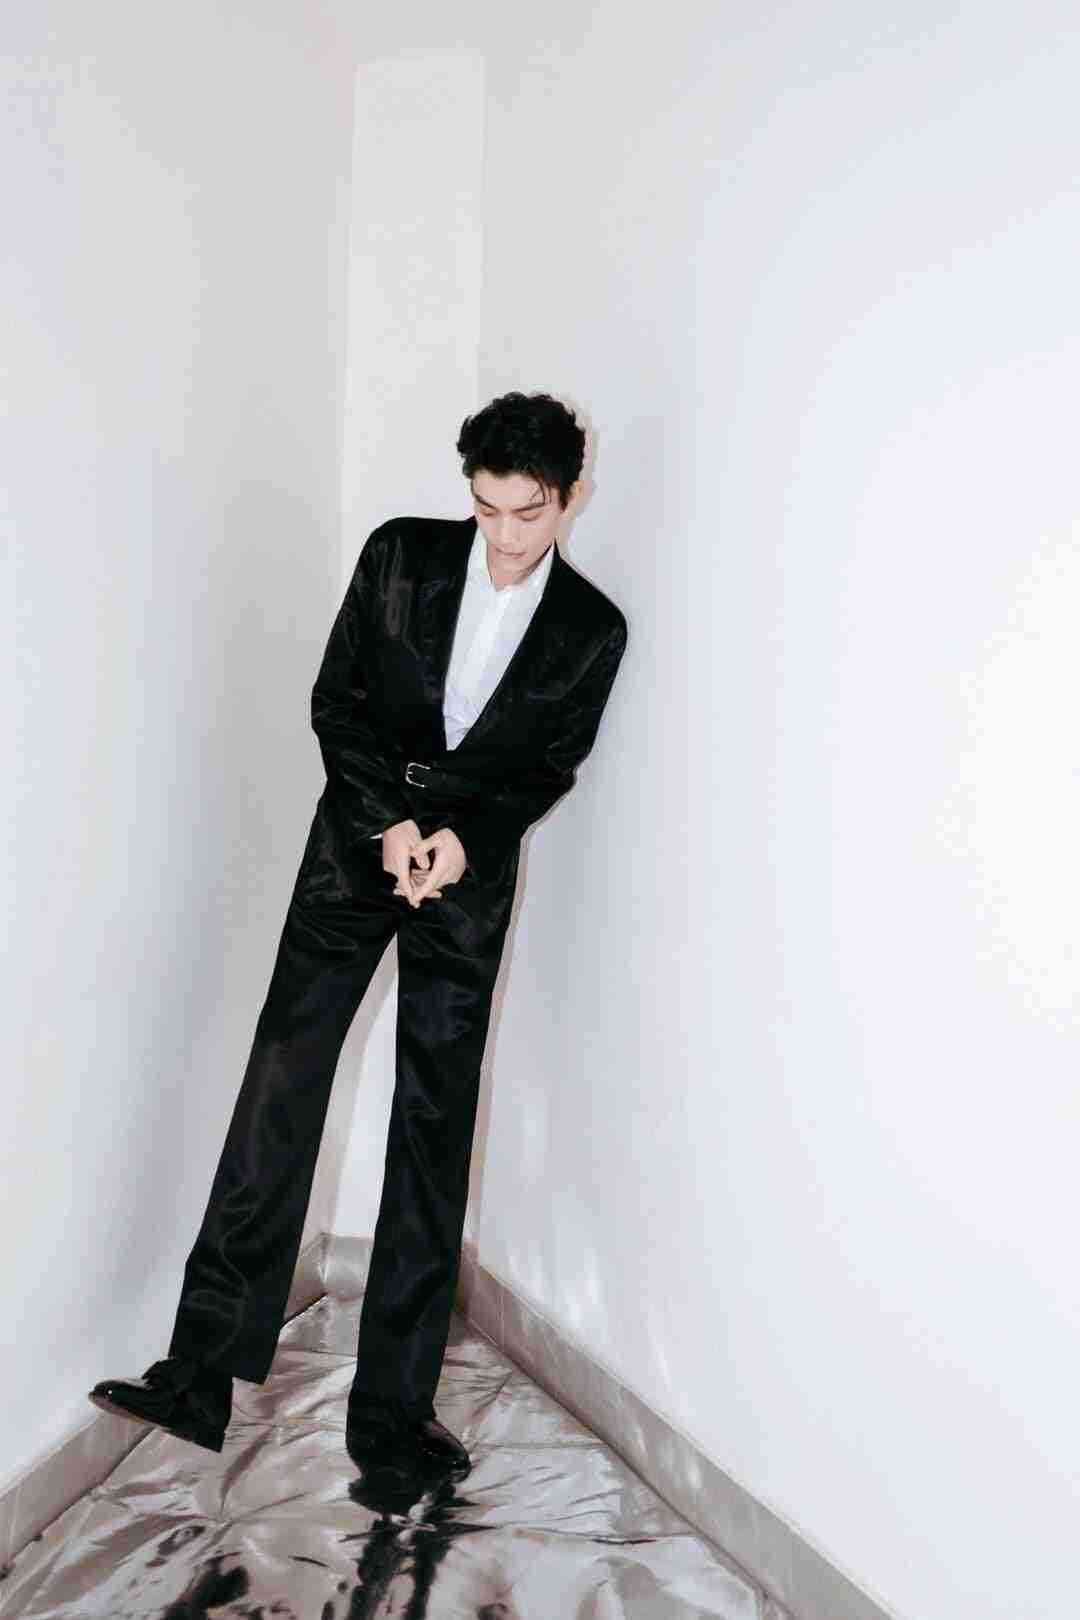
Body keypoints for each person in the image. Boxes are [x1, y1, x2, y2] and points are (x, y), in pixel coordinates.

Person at [90, 391, 629, 1480]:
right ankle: (199, 1372)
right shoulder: (398, 557)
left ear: (569, 499)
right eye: (486, 508)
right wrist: (388, 824)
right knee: (281, 1084)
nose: (504, 535)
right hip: (354, 848)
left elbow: (546, 766)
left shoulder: (592, 629)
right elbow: (336, 700)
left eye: (527, 513)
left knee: (433, 1127)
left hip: (465, 882)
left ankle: (392, 1417)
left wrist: (463, 842)